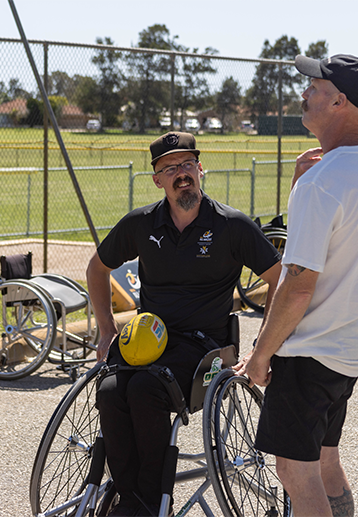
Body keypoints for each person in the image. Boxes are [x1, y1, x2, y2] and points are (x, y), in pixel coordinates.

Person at [86, 131, 282, 516]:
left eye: (187, 164)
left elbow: (280, 278)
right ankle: (130, 498)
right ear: (157, 179)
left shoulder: (232, 226)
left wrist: (264, 346)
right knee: (109, 390)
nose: (182, 174)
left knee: (144, 388)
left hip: (206, 349)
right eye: (170, 168)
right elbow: (97, 268)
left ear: (200, 169)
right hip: (150, 341)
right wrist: (106, 329)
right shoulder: (141, 224)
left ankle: (150, 502)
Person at [242, 54, 358, 517]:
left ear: (339, 100)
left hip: (310, 352)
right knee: (326, 461)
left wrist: (261, 355)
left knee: (296, 473)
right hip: (351, 346)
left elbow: (297, 287)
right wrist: (302, 186)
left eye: (313, 85)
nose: (304, 92)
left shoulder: (323, 183)